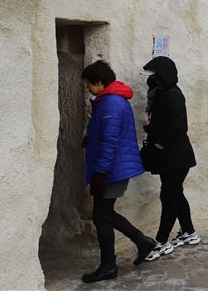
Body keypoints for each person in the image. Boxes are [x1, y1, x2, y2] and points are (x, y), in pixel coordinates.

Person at [80, 61, 157, 283]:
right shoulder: (109, 100)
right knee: (104, 214)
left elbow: (110, 141)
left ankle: (109, 266)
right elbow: (106, 134)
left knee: (101, 216)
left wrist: (100, 172)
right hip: (112, 167)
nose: (87, 88)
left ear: (99, 82)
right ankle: (142, 242)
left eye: (89, 84)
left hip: (111, 169)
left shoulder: (111, 103)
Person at [141, 56, 199, 261]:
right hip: (169, 157)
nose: (153, 79)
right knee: (175, 194)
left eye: (157, 75)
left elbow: (179, 127)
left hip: (176, 157)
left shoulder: (173, 95)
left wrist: (160, 142)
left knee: (169, 197)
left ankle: (161, 241)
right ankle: (189, 232)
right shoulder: (162, 94)